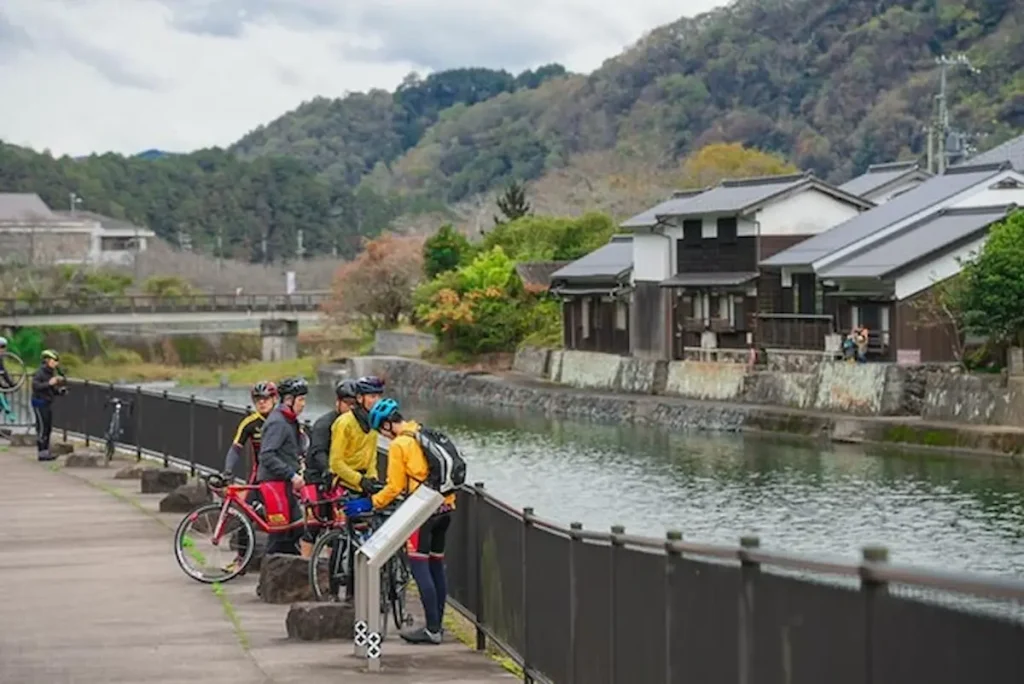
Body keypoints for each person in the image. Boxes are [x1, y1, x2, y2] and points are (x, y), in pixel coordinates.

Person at [369, 398, 456, 645]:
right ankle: (438, 624)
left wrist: (373, 503)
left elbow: (395, 487)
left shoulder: (400, 445)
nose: (383, 437)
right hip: (445, 508)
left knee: (420, 567)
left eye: (381, 431)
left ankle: (431, 630)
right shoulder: (421, 432)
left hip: (422, 513)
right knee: (437, 566)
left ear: (387, 425)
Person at [298, 378, 360, 558]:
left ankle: (329, 569)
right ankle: (303, 566)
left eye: (355, 404)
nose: (351, 408)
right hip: (316, 477)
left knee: (337, 525)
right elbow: (317, 452)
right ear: (338, 403)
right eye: (347, 403)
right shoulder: (324, 424)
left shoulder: (354, 425)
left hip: (338, 479)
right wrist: (329, 470)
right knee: (313, 526)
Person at [256, 376, 308, 556]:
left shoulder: (290, 420)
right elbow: (267, 455)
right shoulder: (278, 422)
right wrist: (291, 475)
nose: (303, 404)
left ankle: (289, 577)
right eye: (301, 400)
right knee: (279, 534)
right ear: (288, 400)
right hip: (274, 483)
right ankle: (270, 577)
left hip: (285, 483)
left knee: (296, 530)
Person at [328, 375, 386, 495]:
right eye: (372, 396)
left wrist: (372, 478)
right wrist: (359, 480)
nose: (377, 401)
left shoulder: (373, 423)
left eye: (379, 397)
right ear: (360, 398)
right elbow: (335, 462)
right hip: (345, 486)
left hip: (364, 486)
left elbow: (372, 457)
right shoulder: (344, 423)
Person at [223, 382, 278, 483]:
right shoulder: (249, 423)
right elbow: (236, 449)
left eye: (265, 398)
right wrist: (228, 470)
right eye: (257, 399)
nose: (261, 402)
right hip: (260, 474)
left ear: (274, 399)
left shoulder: (284, 420)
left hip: (284, 475)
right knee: (249, 498)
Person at [31, 349, 65, 461]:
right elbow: (36, 386)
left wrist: (59, 391)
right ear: (47, 360)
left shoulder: (51, 373)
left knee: (48, 427)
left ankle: (46, 451)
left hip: (47, 402)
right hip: (39, 402)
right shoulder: (40, 372)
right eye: (54, 360)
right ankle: (41, 452)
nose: (56, 363)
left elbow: (51, 389)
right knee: (42, 428)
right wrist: (49, 383)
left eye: (57, 361)